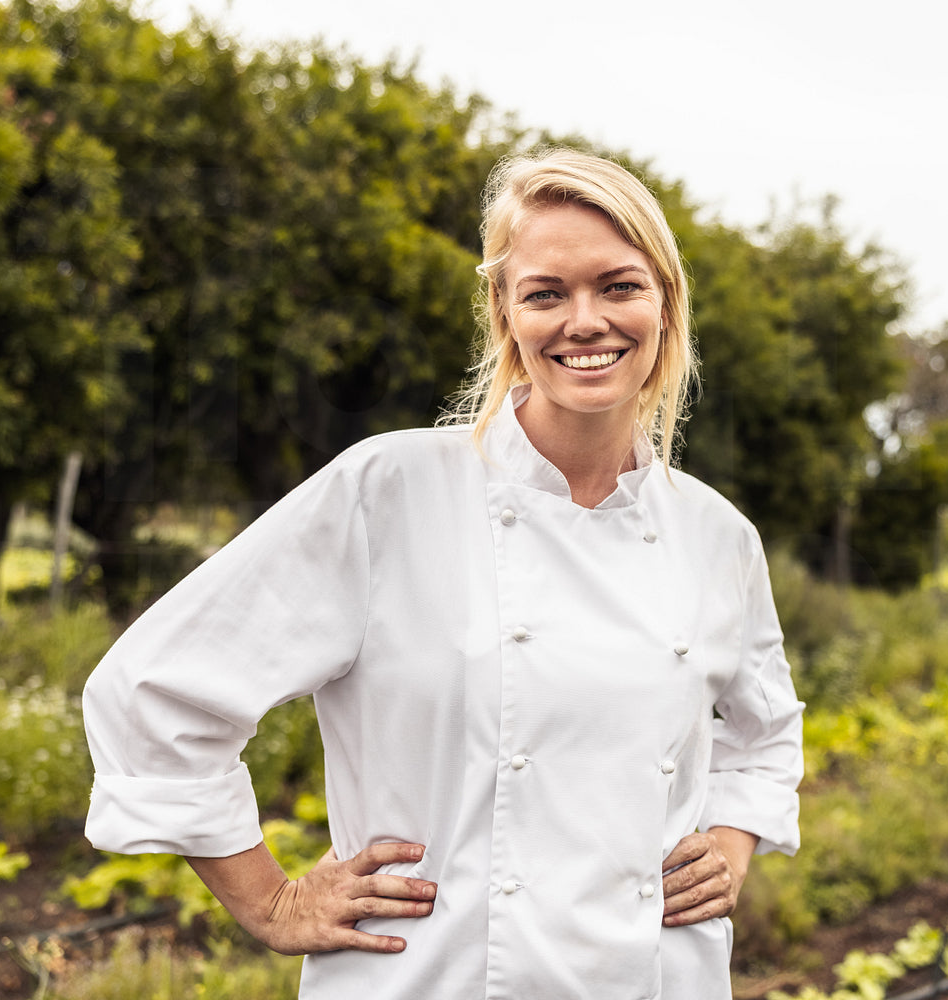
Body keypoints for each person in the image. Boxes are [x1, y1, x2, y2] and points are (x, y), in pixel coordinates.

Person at [82, 147, 804, 999]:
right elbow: (153, 691)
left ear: (666, 302)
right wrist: (270, 903)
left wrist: (731, 845)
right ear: (504, 312)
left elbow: (764, 736)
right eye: (546, 293)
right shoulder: (390, 489)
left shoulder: (716, 536)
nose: (585, 321)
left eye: (619, 286)